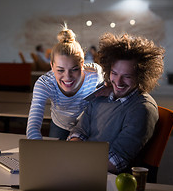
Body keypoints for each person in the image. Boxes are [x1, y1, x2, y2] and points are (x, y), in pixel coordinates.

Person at [68, 33, 165, 174]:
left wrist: (76, 161)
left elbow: (115, 162)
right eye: (114, 73)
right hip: (81, 165)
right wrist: (70, 153)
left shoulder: (142, 109)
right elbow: (80, 131)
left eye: (127, 76)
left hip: (107, 177)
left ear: (141, 76)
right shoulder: (102, 94)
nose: (118, 82)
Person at [26, 24, 103, 140]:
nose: (67, 77)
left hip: (88, 125)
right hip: (60, 125)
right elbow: (33, 125)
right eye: (60, 70)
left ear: (82, 64)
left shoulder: (95, 74)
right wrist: (35, 145)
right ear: (52, 66)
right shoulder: (45, 83)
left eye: (74, 69)